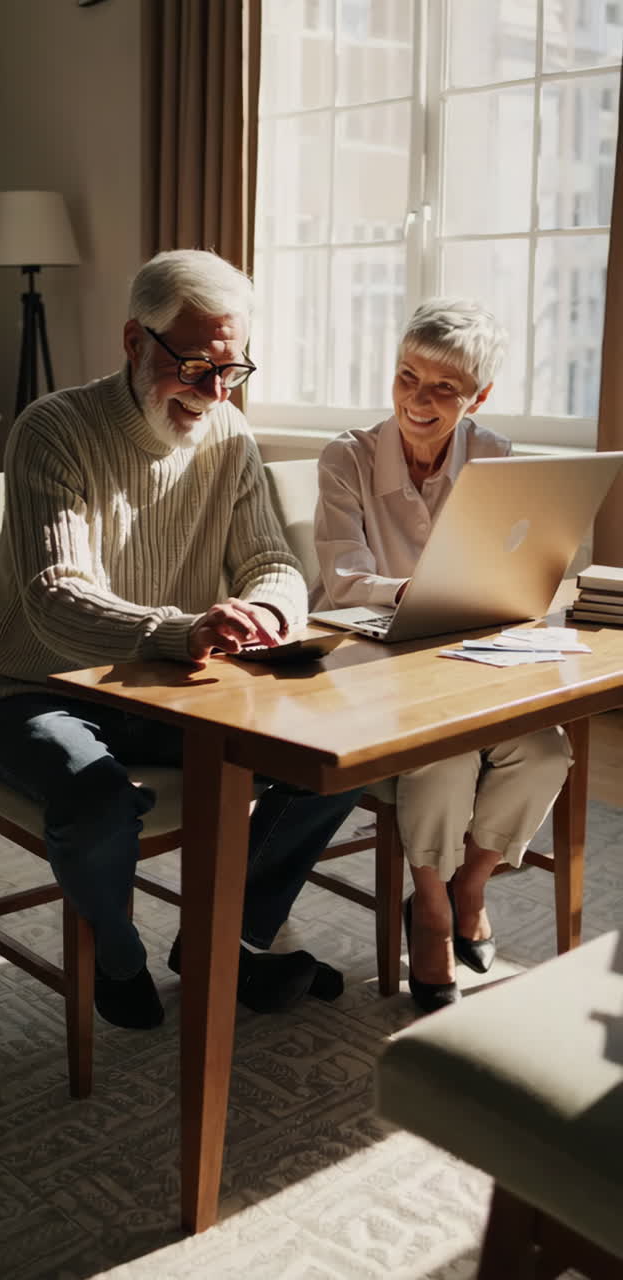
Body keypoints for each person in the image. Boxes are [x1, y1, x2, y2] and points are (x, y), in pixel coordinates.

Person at [0, 249, 362, 1030]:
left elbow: (271, 559)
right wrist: (180, 629)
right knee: (97, 800)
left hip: (174, 686)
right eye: (196, 367)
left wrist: (273, 610)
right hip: (35, 685)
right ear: (133, 340)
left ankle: (228, 934)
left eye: (233, 370)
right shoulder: (54, 429)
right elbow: (55, 599)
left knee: (339, 757)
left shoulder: (228, 436)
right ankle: (118, 953)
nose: (215, 393)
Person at [312, 298, 571, 1014]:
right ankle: (429, 908)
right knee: (447, 756)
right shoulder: (349, 457)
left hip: (471, 662)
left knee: (546, 754)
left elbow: (515, 570)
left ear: (478, 397)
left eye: (443, 389)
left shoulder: (494, 456)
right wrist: (439, 592)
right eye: (406, 377)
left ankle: (471, 884)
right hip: (374, 666)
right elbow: (342, 583)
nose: (417, 401)